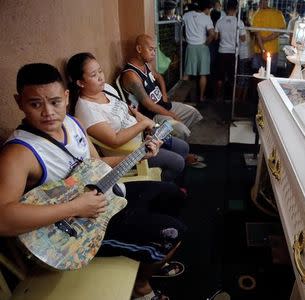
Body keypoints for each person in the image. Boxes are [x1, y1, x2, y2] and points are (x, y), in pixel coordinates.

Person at [0, 63, 186, 299]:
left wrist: (140, 154)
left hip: (108, 198)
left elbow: (97, 166)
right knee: (173, 233)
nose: (48, 112)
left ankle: (151, 257)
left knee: (173, 195)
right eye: (35, 104)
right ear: (19, 102)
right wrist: (76, 207)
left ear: (66, 97)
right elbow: (3, 219)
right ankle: (142, 286)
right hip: (75, 234)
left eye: (55, 102)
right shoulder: (19, 153)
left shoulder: (73, 124)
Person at [67, 52, 189, 182]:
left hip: (144, 136)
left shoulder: (106, 88)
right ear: (80, 83)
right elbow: (114, 141)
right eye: (93, 75)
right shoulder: (86, 110)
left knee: (182, 147)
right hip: (131, 152)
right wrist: (143, 124)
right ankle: (164, 186)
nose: (100, 77)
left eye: (100, 71)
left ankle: (174, 179)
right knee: (177, 162)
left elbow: (126, 107)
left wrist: (140, 117)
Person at [121, 34, 203, 142]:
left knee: (193, 113)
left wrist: (164, 94)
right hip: (153, 115)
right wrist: (172, 115)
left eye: (155, 50)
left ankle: (173, 141)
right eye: (151, 49)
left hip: (163, 105)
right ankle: (175, 146)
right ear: (139, 49)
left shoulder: (146, 65)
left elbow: (159, 77)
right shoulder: (131, 75)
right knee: (181, 129)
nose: (154, 54)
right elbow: (149, 105)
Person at [182, 0, 215, 104]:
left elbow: (180, 27)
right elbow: (212, 34)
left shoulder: (186, 15)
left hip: (190, 46)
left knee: (187, 73)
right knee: (203, 74)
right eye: (209, 9)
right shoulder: (206, 18)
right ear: (206, 8)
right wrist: (207, 42)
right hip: (202, 47)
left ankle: (182, 98)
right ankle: (201, 97)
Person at [214, 0, 245, 102]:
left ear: (226, 9)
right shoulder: (239, 22)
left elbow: (216, 37)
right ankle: (233, 99)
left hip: (222, 52)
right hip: (233, 53)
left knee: (220, 77)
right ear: (236, 8)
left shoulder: (220, 21)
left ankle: (218, 97)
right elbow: (243, 38)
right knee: (233, 77)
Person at [250, 0, 285, 75]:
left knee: (258, 75)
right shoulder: (278, 13)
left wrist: (263, 49)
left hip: (260, 50)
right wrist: (266, 41)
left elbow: (257, 35)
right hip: (270, 51)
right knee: (270, 76)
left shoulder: (256, 15)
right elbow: (280, 31)